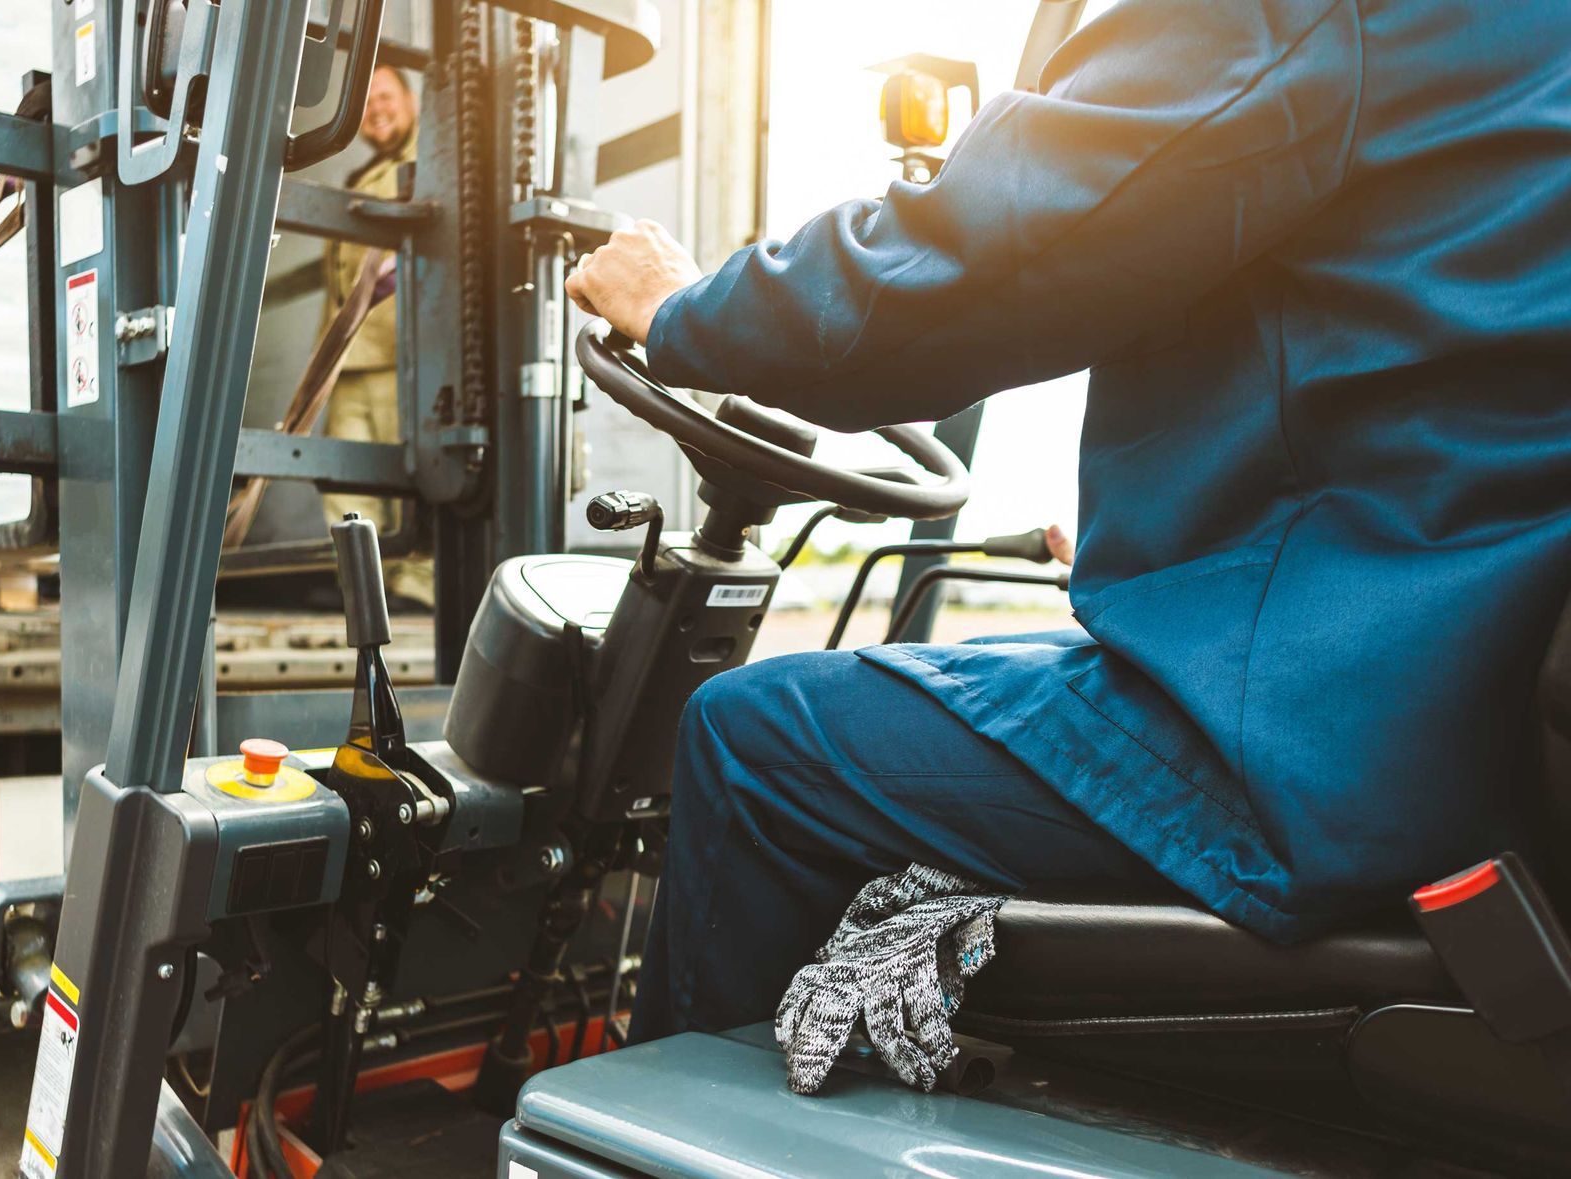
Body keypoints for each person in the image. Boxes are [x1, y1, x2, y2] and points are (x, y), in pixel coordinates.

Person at [565, 0, 1571, 1041]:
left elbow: (980, 262)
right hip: (1452, 670)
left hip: (1326, 742)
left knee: (752, 739)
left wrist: (685, 309)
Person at [320, 65, 434, 607]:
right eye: (364, 105)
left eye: (384, 97)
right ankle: (362, 592)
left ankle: (415, 590)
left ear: (412, 101)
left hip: (403, 354)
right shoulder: (366, 175)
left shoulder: (432, 163)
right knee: (344, 476)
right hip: (350, 357)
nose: (376, 110)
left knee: (413, 477)